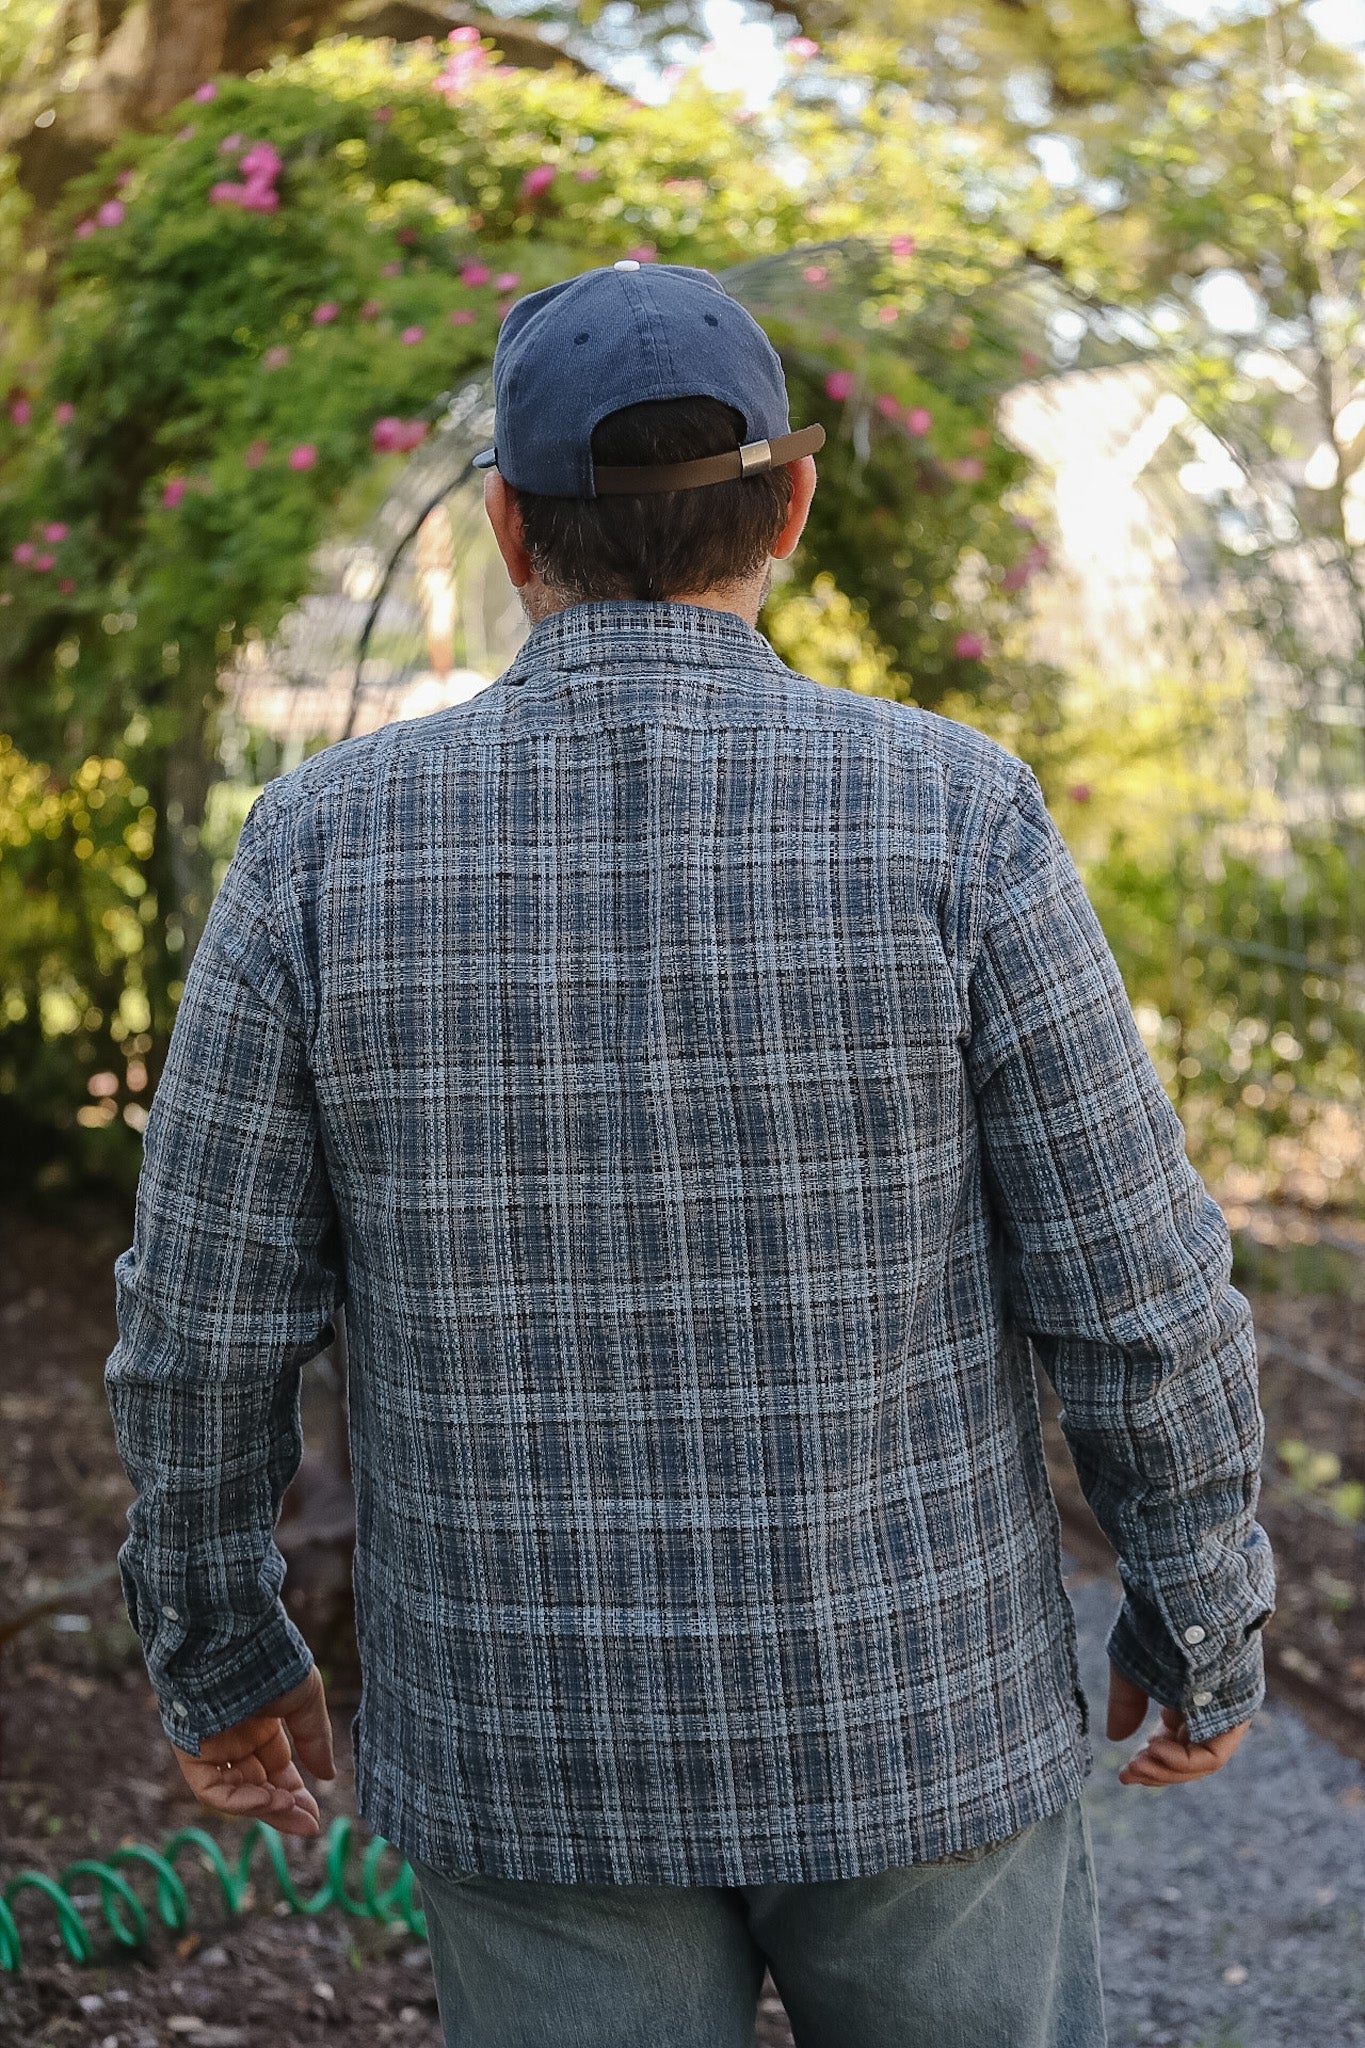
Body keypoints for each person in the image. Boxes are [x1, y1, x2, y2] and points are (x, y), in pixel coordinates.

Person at [105, 261, 1274, 2048]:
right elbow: (1139, 1287)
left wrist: (218, 1648)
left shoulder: (318, 854)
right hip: (921, 1722)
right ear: (791, 503)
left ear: (508, 528)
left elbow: (198, 1327)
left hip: (531, 1749)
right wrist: (1197, 1604)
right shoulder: (956, 815)